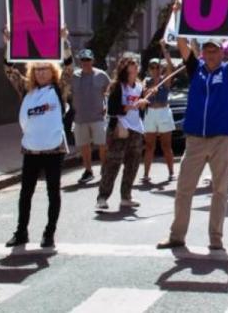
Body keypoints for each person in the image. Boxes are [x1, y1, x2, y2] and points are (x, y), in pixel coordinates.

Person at [157, 5, 228, 251]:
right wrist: (179, 14)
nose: (210, 53)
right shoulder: (195, 70)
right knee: (183, 189)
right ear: (203, 53)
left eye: (214, 50)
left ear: (221, 53)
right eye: (206, 49)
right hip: (195, 138)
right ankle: (177, 236)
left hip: (221, 139)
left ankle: (215, 238)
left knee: (219, 190)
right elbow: (183, 44)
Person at [2, 32, 72, 248]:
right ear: (33, 72)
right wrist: (9, 44)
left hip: (54, 149)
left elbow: (69, 68)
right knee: (26, 193)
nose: (42, 73)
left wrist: (63, 41)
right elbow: (9, 70)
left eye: (46, 69)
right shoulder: (26, 90)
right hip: (31, 150)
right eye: (38, 69)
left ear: (52, 72)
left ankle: (49, 233)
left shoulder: (59, 89)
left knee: (53, 191)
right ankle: (21, 231)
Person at [97, 56, 148, 210]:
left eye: (135, 67)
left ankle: (126, 196)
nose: (133, 70)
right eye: (130, 67)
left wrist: (144, 103)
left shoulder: (140, 87)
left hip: (136, 130)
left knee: (132, 165)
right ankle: (102, 197)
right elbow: (112, 110)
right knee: (113, 163)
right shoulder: (117, 86)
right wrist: (131, 106)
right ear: (124, 69)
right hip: (120, 129)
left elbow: (143, 109)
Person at [69, 48, 111, 184]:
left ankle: (105, 168)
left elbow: (109, 90)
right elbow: (67, 92)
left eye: (88, 60)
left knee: (102, 144)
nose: (86, 62)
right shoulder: (74, 76)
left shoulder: (101, 75)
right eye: (83, 60)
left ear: (92, 60)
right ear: (80, 61)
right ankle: (88, 171)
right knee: (84, 146)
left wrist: (106, 105)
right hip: (80, 117)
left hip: (98, 116)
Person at [142, 45, 176, 183]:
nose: (155, 70)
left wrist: (164, 50)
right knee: (149, 145)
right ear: (149, 69)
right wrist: (150, 90)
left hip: (163, 111)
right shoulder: (146, 81)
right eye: (152, 67)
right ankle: (146, 174)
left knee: (166, 145)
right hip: (150, 112)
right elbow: (144, 94)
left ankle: (171, 172)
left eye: (157, 67)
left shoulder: (165, 80)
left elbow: (171, 66)